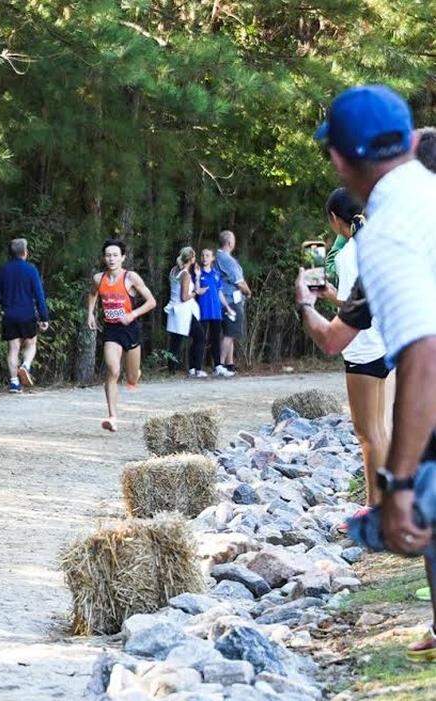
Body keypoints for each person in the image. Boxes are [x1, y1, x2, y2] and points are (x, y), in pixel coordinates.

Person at [316, 84, 436, 661]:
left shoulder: (385, 231)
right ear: (411, 139)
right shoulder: (429, 191)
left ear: (340, 158)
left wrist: (400, 482)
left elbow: (423, 356)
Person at [295, 187, 389, 516]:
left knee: (367, 434)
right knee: (379, 428)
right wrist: (332, 295)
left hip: (361, 348)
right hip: (384, 345)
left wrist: (309, 301)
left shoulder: (350, 253)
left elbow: (353, 315)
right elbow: (359, 302)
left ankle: (374, 508)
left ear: (336, 220)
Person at [86, 238, 156, 432]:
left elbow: (152, 302)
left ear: (123, 257)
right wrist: (90, 314)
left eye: (115, 255)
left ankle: (134, 376)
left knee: (131, 378)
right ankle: (112, 417)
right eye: (108, 255)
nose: (111, 259)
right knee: (113, 370)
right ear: (103, 257)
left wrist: (132, 314)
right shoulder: (98, 279)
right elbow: (92, 294)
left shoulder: (131, 278)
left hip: (131, 329)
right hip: (112, 330)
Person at [0, 238, 50, 393]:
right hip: (27, 314)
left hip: (9, 314)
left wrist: (6, 302)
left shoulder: (3, 270)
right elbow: (39, 295)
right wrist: (44, 318)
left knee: (13, 348)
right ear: (25, 252)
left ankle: (14, 383)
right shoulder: (31, 270)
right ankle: (25, 365)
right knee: (31, 343)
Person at [190, 248, 234, 378]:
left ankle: (218, 366)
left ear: (213, 258)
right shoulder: (197, 273)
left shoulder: (216, 274)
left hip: (216, 312)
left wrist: (227, 307)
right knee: (199, 339)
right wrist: (198, 279)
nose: (204, 258)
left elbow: (219, 292)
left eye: (207, 255)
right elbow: (195, 290)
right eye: (202, 255)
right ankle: (194, 367)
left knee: (215, 339)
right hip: (202, 311)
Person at [215, 230, 251, 376]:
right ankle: (220, 365)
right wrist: (248, 292)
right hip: (231, 300)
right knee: (229, 334)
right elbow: (239, 282)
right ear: (230, 243)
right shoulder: (227, 260)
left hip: (223, 300)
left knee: (230, 332)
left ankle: (229, 364)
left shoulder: (216, 257)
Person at [165, 247, 199, 374]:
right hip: (183, 310)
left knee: (175, 340)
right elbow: (184, 297)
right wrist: (195, 292)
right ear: (190, 259)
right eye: (194, 257)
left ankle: (172, 368)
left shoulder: (174, 271)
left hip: (174, 309)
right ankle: (194, 367)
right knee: (198, 336)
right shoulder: (185, 274)